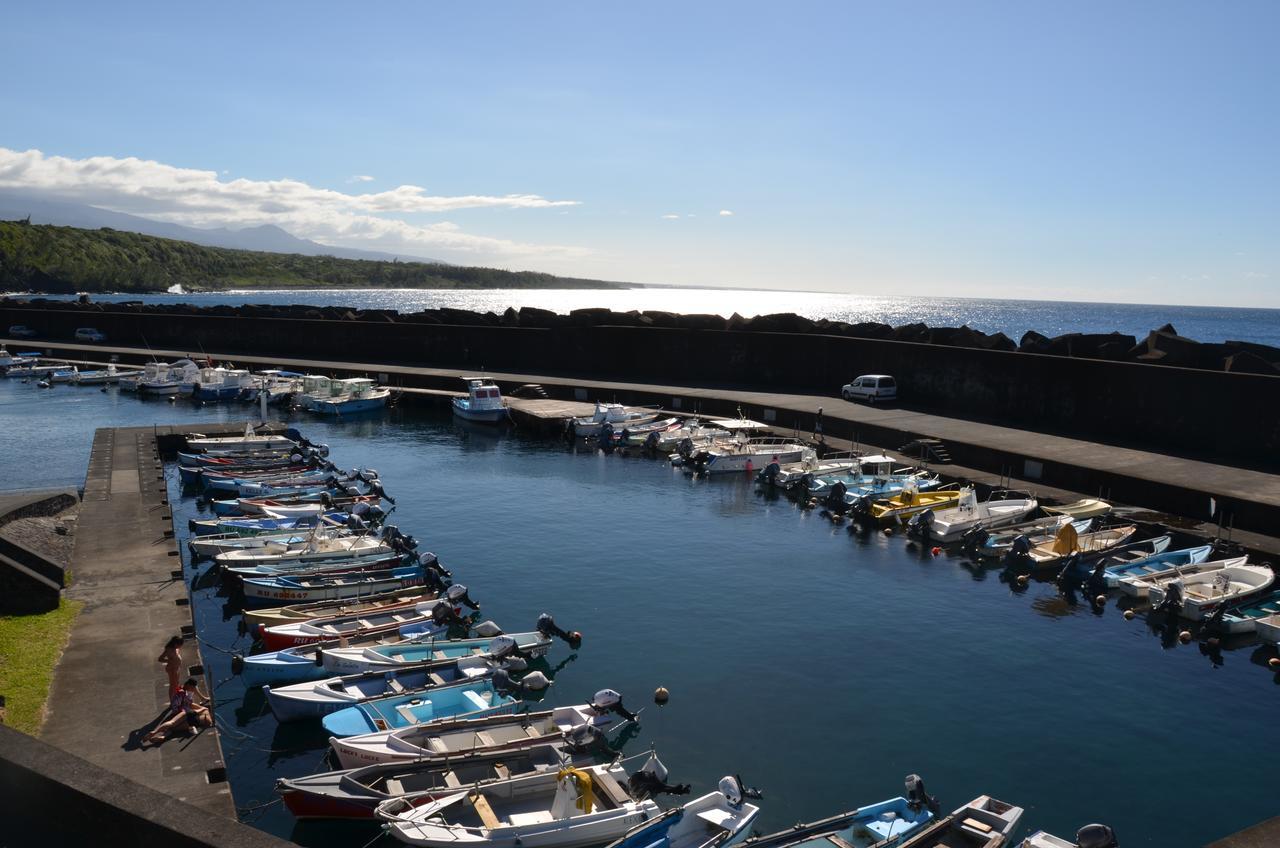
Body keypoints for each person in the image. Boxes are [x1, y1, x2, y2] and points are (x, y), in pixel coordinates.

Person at [144, 678, 211, 745]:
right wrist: (202, 708)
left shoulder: (181, 689)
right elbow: (180, 705)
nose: (193, 690)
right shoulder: (182, 693)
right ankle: (158, 733)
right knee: (172, 724)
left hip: (179, 711)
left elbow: (183, 703)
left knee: (172, 726)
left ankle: (160, 735)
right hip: (179, 712)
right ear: (188, 685)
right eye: (192, 688)